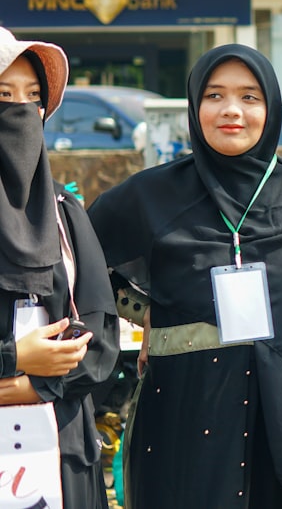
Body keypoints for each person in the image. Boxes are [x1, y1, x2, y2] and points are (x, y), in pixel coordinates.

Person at [87, 44, 282, 508]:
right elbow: (85, 269)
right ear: (194, 106)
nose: (231, 111)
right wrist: (152, 316)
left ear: (271, 107)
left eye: (249, 97)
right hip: (182, 418)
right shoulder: (150, 195)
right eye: (215, 96)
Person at [0, 27, 119, 507]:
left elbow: (102, 343)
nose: (20, 111)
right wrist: (15, 358)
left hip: (61, 460)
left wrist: (29, 384)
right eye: (3, 95)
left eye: (33, 98)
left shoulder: (64, 213)